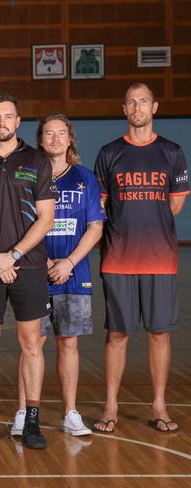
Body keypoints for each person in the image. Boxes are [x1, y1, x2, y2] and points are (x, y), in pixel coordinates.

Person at [93, 83, 188, 434]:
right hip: (118, 258)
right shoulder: (109, 152)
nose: (137, 107)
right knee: (117, 334)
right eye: (131, 101)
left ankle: (160, 406)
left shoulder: (172, 152)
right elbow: (100, 205)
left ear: (155, 106)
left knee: (159, 334)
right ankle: (110, 407)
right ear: (124, 108)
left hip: (160, 259)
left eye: (143, 101)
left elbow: (176, 204)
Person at [0, 93, 56, 449]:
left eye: (8, 116)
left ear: (18, 122)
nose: (2, 122)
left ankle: (31, 421)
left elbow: (47, 218)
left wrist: (14, 255)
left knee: (31, 344)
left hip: (30, 266)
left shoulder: (37, 160)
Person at [12, 114, 105, 438]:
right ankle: (23, 412)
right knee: (31, 344)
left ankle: (70, 412)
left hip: (73, 275)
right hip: (35, 272)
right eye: (48, 133)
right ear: (40, 139)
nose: (54, 139)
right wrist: (45, 259)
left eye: (60, 133)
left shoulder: (85, 178)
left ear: (70, 139)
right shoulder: (27, 176)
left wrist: (68, 261)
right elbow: (22, 223)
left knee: (69, 344)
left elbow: (95, 227)